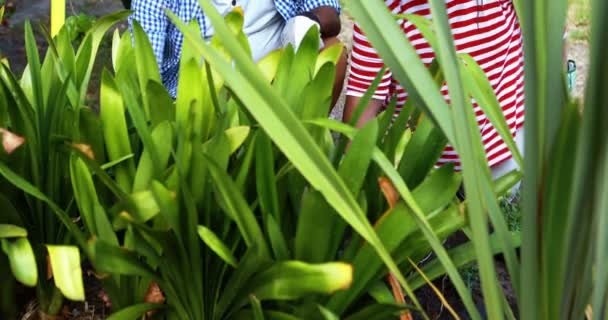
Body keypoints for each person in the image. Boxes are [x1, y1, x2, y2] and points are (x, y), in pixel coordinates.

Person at [344, 0, 525, 180]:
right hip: (417, 167)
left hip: (501, 151)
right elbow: (363, 104)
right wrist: (353, 180)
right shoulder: (380, 9)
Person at [130, 0, 346, 102]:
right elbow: (146, 59)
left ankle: (299, 160)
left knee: (332, 51)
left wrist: (308, 22)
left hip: (274, 85)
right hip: (196, 96)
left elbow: (328, 11)